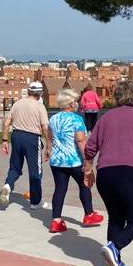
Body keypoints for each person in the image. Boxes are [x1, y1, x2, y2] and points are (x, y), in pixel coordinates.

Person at [83, 80, 133, 266]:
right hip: (130, 172)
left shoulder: (105, 118)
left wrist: (88, 169)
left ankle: (114, 263)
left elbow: (90, 147)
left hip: (106, 174)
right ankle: (114, 247)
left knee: (116, 217)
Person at [48, 89, 103, 233]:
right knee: (84, 185)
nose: (77, 103)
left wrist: (48, 150)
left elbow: (50, 136)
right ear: (71, 103)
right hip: (74, 160)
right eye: (75, 101)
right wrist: (87, 160)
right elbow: (80, 139)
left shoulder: (53, 118)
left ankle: (56, 220)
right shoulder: (76, 119)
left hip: (57, 161)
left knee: (60, 189)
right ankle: (89, 214)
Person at [0, 82, 51, 209]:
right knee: (35, 171)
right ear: (40, 93)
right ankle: (35, 201)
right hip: (32, 138)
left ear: (28, 91)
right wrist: (49, 144)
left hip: (16, 136)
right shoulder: (39, 107)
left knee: (15, 167)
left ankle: (8, 186)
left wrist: (4, 140)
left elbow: (6, 123)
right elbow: (45, 127)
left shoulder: (17, 103)